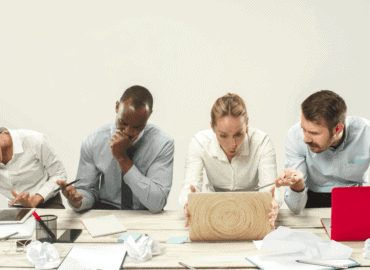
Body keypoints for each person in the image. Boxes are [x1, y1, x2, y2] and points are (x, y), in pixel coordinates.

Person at [57, 85, 174, 213]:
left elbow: (156, 203)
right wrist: (78, 201)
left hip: (145, 213)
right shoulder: (93, 141)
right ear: (117, 107)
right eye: (123, 122)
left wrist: (122, 157)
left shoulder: (163, 144)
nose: (128, 131)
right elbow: (87, 190)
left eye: (137, 127)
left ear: (149, 115)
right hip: (105, 212)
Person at [179, 93, 284, 230]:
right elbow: (190, 188)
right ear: (212, 127)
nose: (232, 145)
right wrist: (189, 203)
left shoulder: (262, 143)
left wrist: (273, 202)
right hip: (214, 213)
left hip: (254, 212)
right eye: (223, 135)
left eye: (239, 134)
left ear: (247, 124)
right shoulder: (199, 143)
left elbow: (270, 190)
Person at [275, 90, 370, 214]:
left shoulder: (366, 133)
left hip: (354, 198)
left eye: (314, 133)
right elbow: (295, 208)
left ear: (337, 129)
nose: (306, 139)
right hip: (311, 198)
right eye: (304, 129)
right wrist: (297, 187)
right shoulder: (295, 136)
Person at [0, 127, 67, 209]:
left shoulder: (34, 140)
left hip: (47, 202)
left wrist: (38, 197)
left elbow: (59, 174)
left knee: (49, 222)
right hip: (15, 207)